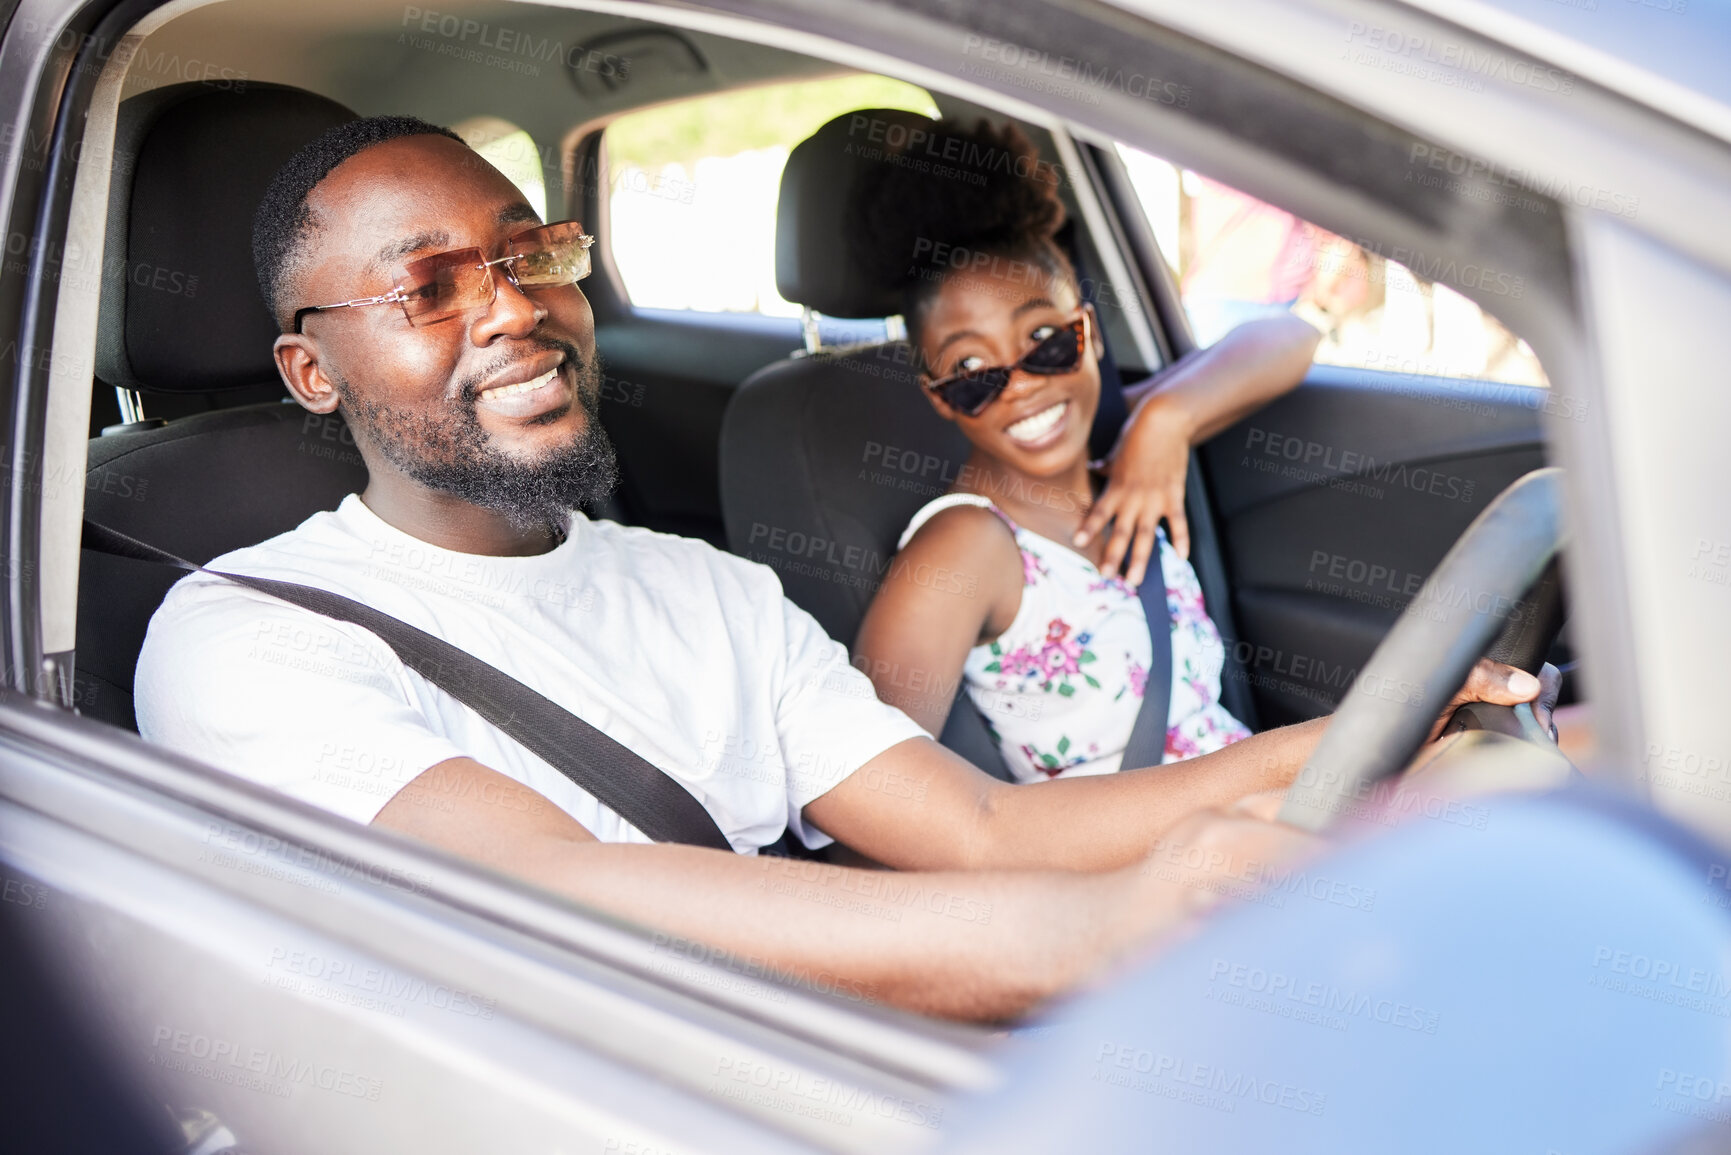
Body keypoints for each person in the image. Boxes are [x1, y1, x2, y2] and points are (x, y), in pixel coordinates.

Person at [134, 116, 1554, 1022]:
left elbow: (983, 835)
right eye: (425, 285)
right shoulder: (243, 633)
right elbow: (565, 892)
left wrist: (1351, 736)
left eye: (531, 253)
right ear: (311, 369)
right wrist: (1095, 926)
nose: (511, 308)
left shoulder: (709, 594)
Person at [851, 120, 1317, 778]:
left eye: (1045, 341)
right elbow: (875, 803)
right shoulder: (963, 547)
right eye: (973, 371)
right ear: (936, 394)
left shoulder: (1120, 461)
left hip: (1268, 820)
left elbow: (1287, 338)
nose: (1021, 387)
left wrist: (1164, 421)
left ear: (1088, 332)